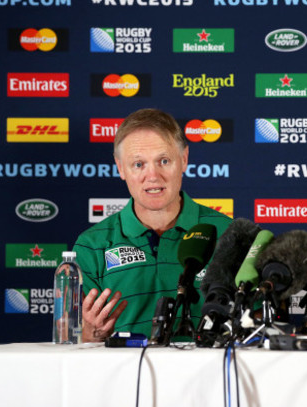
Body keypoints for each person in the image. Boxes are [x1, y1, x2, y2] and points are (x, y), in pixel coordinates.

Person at [73, 108, 232, 342]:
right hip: (125, 377)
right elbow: (75, 344)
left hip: (210, 377)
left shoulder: (229, 234)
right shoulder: (91, 245)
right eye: (138, 164)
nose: (153, 176)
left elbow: (254, 327)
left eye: (164, 161)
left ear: (184, 159)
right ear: (120, 168)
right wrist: (91, 334)